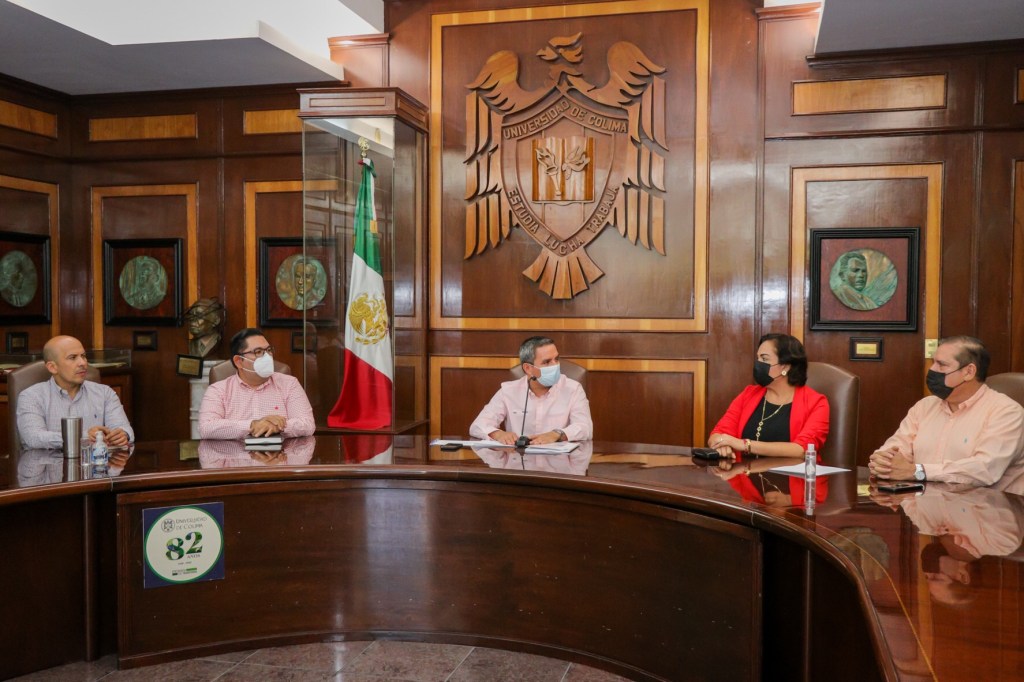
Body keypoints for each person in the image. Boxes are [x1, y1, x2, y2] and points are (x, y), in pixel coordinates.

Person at [868, 336, 1024, 487]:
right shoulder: (925, 406)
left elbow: (984, 470)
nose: (932, 370)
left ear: (969, 372)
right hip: (925, 501)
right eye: (933, 363)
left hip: (983, 503)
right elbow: (894, 449)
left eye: (941, 365)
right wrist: (884, 462)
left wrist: (918, 472)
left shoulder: (1007, 412)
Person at [707, 333, 829, 460]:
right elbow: (718, 433)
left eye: (764, 359)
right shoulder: (749, 394)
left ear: (785, 366)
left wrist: (745, 445)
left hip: (789, 473)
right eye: (758, 358)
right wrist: (722, 445)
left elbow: (802, 449)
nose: (758, 364)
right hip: (745, 470)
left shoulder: (816, 402)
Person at [16, 335, 134, 450]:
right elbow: (33, 438)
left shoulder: (104, 393)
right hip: (47, 462)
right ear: (52, 367)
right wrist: (83, 436)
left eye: (83, 356)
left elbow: (125, 429)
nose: (83, 363)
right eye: (72, 357)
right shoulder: (31, 396)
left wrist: (123, 435)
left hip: (94, 462)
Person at [469, 336, 592, 445]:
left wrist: (557, 434)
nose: (555, 365)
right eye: (547, 362)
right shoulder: (508, 391)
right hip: (518, 460)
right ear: (528, 368)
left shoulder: (573, 389)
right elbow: (477, 425)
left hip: (559, 461)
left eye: (556, 359)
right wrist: (498, 434)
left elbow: (585, 428)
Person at [198, 328, 315, 439]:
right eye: (258, 352)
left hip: (281, 452)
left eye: (269, 350)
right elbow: (206, 427)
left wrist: (277, 426)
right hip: (235, 453)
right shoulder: (218, 390)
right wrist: (252, 425)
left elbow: (308, 424)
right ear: (239, 361)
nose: (267, 356)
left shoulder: (289, 384)